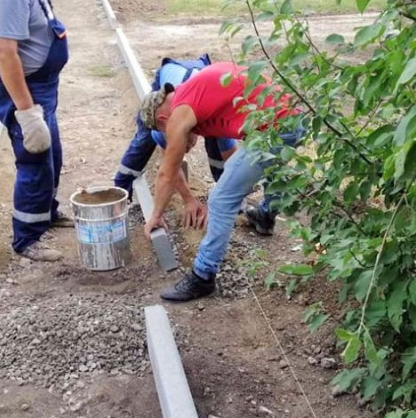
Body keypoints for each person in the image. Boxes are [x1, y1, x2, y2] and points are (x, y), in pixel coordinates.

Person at [140, 62, 304, 301]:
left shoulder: (178, 112)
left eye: (163, 130)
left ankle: (202, 277)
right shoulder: (193, 94)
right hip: (291, 117)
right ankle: (265, 217)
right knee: (269, 167)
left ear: (162, 118)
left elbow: (167, 172)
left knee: (220, 200)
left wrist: (155, 215)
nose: (170, 135)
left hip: (277, 125)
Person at [0, 0, 76, 262]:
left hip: (41, 87)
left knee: (52, 155)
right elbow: (5, 53)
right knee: (34, 159)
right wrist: (27, 113)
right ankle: (27, 238)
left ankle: (45, 213)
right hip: (25, 90)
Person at [114, 55, 238, 228]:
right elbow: (169, 168)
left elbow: (234, 163)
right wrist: (189, 200)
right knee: (145, 138)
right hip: (170, 77)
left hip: (202, 77)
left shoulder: (210, 112)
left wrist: (220, 204)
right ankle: (120, 188)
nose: (186, 150)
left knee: (216, 147)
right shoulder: (168, 123)